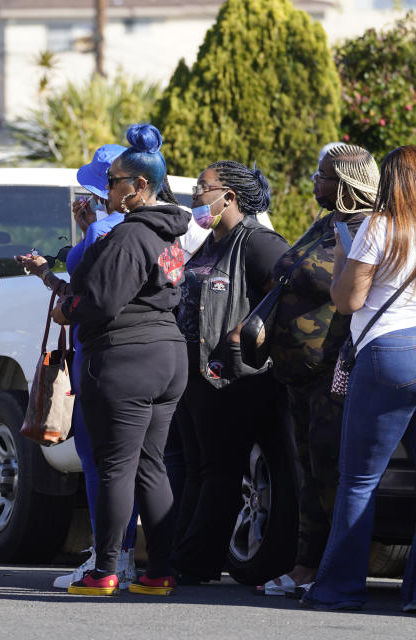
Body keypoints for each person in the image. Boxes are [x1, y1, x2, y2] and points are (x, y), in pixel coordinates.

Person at [302, 145, 416, 613]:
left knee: (359, 479)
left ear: (391, 181)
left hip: (394, 352)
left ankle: (339, 589)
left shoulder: (378, 226)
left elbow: (347, 301)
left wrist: (344, 257)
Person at [49, 123, 188, 596]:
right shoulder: (170, 232)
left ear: (140, 186)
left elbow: (102, 301)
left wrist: (67, 307)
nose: (107, 189)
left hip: (127, 357)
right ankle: (160, 571)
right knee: (150, 464)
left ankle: (105, 569)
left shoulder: (131, 235)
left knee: (116, 466)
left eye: (114, 181)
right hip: (168, 356)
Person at [16, 143, 143, 590]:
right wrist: (48, 275)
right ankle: (126, 557)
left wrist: (86, 230)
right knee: (135, 464)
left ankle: (107, 559)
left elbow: (83, 293)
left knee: (98, 463)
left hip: (101, 356)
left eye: (96, 184)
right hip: (146, 356)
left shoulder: (103, 229)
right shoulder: (149, 228)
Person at [260, 143, 380, 596]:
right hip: (298, 374)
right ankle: (305, 565)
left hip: (335, 373)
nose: (315, 181)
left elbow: (348, 294)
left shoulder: (369, 229)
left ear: (347, 184)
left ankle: (335, 568)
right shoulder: (327, 222)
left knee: (331, 470)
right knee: (308, 471)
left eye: (322, 174)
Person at [170, 161, 290, 584]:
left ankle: (195, 562)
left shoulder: (256, 242)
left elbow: (288, 286)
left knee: (218, 470)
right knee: (196, 467)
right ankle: (180, 558)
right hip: (195, 376)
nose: (196, 195)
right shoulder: (211, 243)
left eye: (203, 187)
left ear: (230, 197)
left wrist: (249, 330)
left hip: (233, 378)